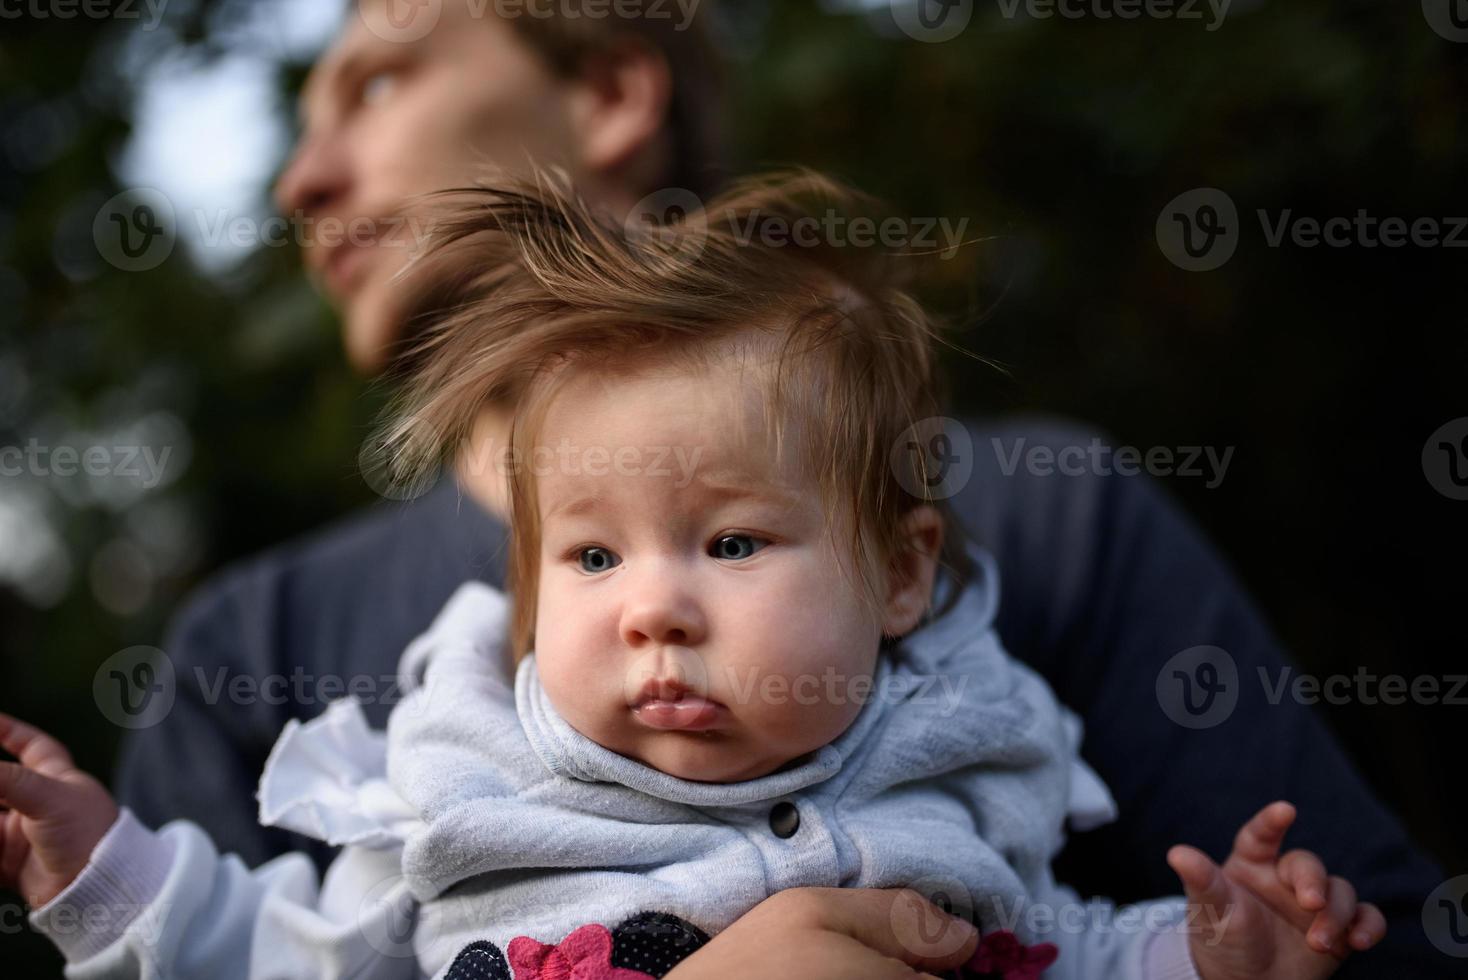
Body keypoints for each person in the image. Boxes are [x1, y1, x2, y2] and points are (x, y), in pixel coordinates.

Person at [104, 1, 1450, 976]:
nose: (300, 178)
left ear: (614, 92)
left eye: (379, 80)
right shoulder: (251, 654)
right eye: (585, 560)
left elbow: (1361, 944)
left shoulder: (1054, 517)